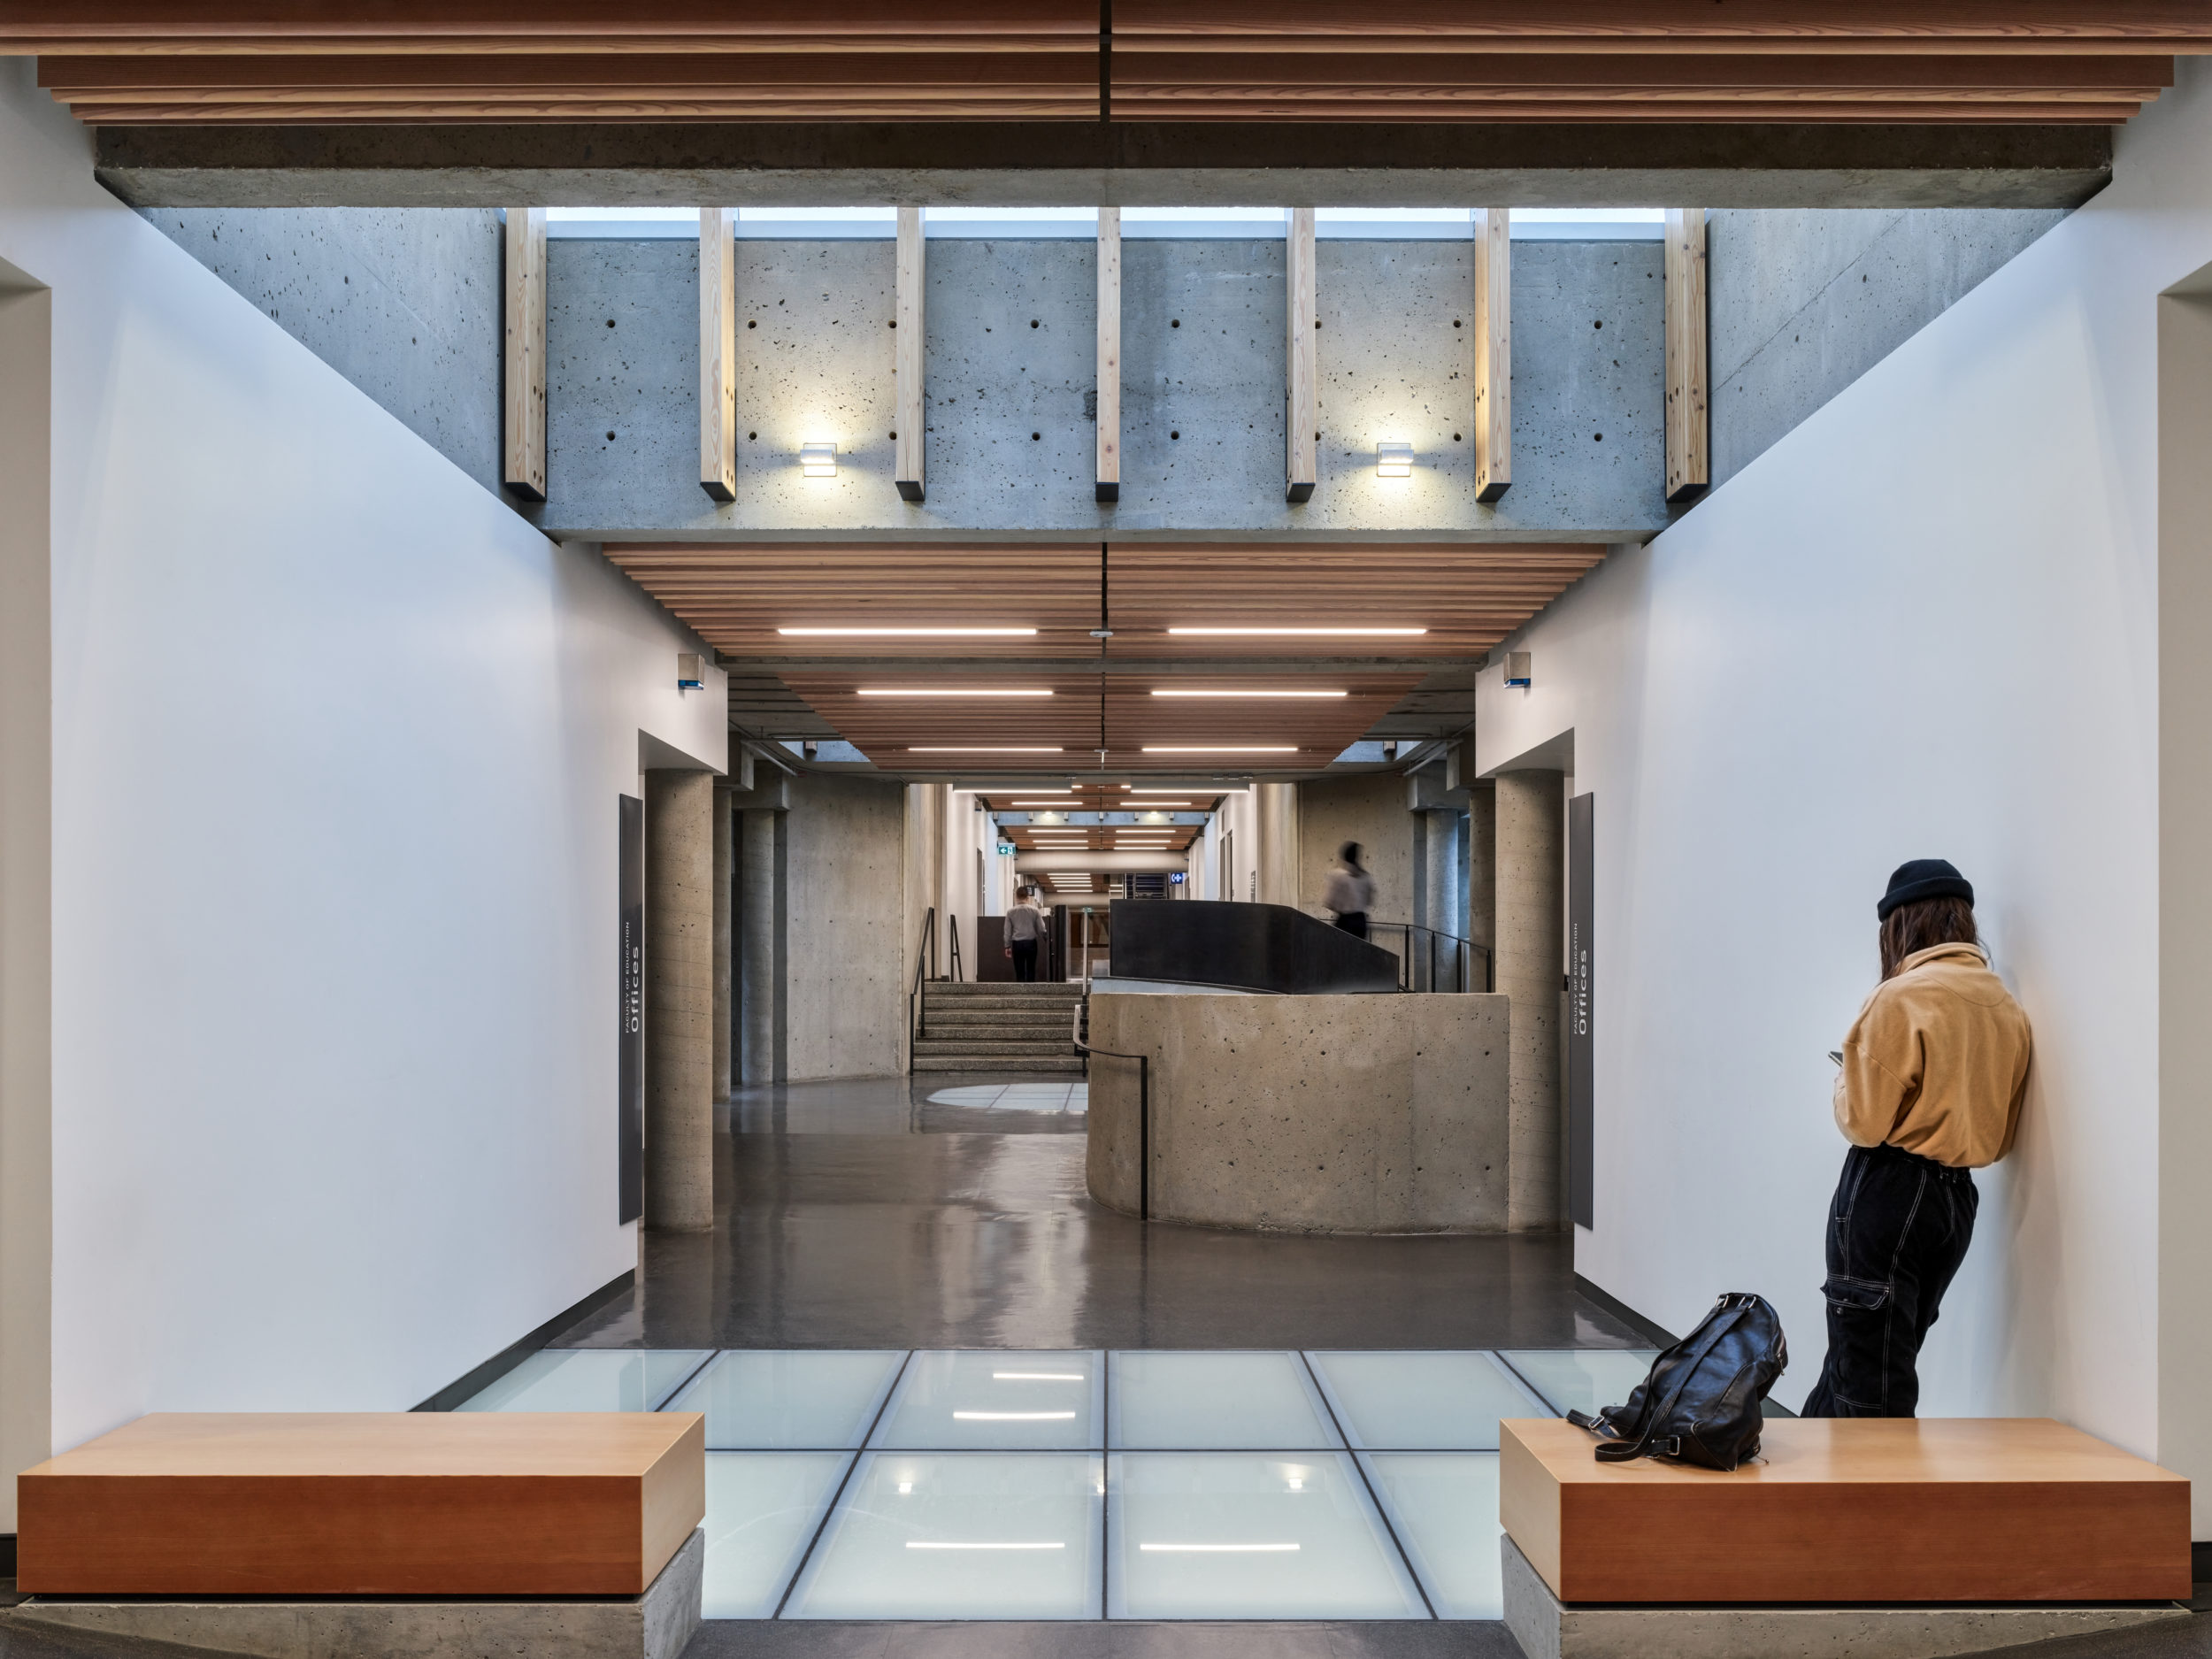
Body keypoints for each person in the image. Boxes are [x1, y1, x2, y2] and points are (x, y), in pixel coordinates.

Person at [1801, 859, 2032, 1418]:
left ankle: (1875, 1504)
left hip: (1888, 1190)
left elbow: (1864, 1122)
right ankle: (1803, 1497)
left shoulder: (1900, 997)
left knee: (1867, 1377)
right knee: (1873, 1360)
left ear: (1899, 925)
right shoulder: (2007, 1009)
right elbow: (1999, 1134)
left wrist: (1843, 1079)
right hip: (1956, 1202)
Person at [1322, 841, 1377, 940]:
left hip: (1345, 920)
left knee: (1339, 950)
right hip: (1361, 921)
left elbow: (1328, 902)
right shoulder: (1365, 876)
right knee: (1358, 951)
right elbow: (1370, 901)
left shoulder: (1337, 875)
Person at [1003, 886, 1044, 982]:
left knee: (1019, 971)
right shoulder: (1035, 910)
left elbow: (1007, 931)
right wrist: (1044, 938)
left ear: (1016, 897)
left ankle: (1020, 994)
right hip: (1031, 943)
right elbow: (1042, 928)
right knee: (1031, 969)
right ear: (1028, 898)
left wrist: (1007, 946)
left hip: (1017, 944)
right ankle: (1031, 993)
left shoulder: (1010, 912)